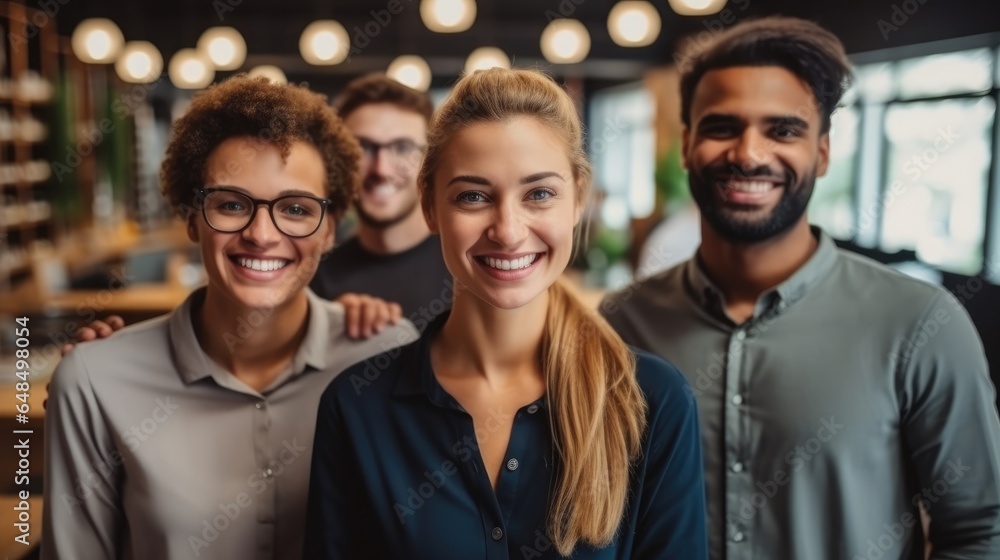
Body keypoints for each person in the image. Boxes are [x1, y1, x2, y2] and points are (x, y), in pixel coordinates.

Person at [600, 17, 1000, 560]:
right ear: (688, 144)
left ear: (824, 151)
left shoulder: (919, 324)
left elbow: (979, 531)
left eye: (783, 130)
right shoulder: (619, 323)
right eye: (722, 127)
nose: (748, 153)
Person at [303, 68, 708, 558]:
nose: (509, 231)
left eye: (539, 194)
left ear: (578, 197)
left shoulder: (651, 401)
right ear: (430, 205)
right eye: (473, 196)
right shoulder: (357, 407)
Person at [41, 76, 418, 560]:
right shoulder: (94, 382)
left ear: (330, 229)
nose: (261, 234)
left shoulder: (387, 356)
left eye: (297, 209)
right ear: (191, 217)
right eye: (232, 204)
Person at [310, 73, 453, 333]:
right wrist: (330, 327)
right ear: (339, 160)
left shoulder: (468, 265)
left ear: (427, 162)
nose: (382, 169)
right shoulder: (313, 278)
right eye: (363, 147)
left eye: (402, 148)